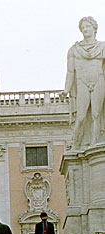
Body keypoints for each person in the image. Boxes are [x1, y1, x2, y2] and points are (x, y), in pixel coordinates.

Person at [61, 17, 105, 148]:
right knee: (81, 117)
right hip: (82, 83)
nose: (85, 29)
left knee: (96, 114)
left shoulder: (102, 47)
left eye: (88, 26)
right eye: (83, 27)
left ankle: (94, 144)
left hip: (99, 81)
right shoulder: (74, 50)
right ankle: (76, 145)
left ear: (94, 29)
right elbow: (70, 72)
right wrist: (66, 90)